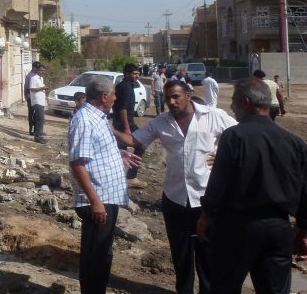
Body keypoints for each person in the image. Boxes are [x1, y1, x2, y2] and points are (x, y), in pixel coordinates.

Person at [113, 80, 236, 294]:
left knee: (208, 255)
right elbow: (134, 140)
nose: (171, 102)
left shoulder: (213, 116)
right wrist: (109, 128)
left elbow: (241, 137)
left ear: (188, 95)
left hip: (206, 199)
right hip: (175, 198)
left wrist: (226, 156)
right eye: (168, 97)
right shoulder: (161, 122)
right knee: (181, 256)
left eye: (176, 97)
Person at [197, 77, 307, 294]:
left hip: (237, 227)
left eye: (234, 101)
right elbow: (305, 190)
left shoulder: (233, 137)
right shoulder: (294, 142)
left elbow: (219, 183)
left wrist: (206, 216)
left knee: (225, 287)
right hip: (278, 228)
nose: (231, 106)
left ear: (246, 101)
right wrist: (304, 229)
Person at [69, 78, 141, 294]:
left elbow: (94, 150)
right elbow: (77, 162)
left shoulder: (98, 118)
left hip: (107, 197)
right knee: (95, 257)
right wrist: (95, 201)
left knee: (102, 254)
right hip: (97, 199)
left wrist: (119, 153)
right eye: (114, 95)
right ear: (104, 97)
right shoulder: (84, 120)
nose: (116, 99)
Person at [113, 63, 146, 188]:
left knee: (122, 150)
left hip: (122, 123)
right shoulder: (126, 87)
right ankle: (130, 177)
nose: (137, 76)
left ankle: (124, 177)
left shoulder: (125, 85)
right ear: (126, 74)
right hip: (124, 124)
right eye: (134, 73)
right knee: (140, 144)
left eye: (138, 73)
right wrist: (127, 128)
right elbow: (122, 109)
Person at [29, 65, 48, 144]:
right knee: (39, 119)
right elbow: (31, 89)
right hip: (36, 101)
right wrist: (42, 88)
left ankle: (39, 134)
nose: (42, 72)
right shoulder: (33, 78)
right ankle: (38, 137)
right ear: (37, 70)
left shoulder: (41, 78)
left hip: (41, 101)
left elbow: (40, 88)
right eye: (41, 70)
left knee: (41, 119)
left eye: (44, 70)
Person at [24, 61, 41, 134]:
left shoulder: (37, 76)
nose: (37, 69)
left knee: (36, 114)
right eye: (37, 68)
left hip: (36, 98)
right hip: (30, 98)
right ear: (33, 67)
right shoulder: (29, 76)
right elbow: (27, 88)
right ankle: (31, 130)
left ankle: (37, 129)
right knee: (31, 114)